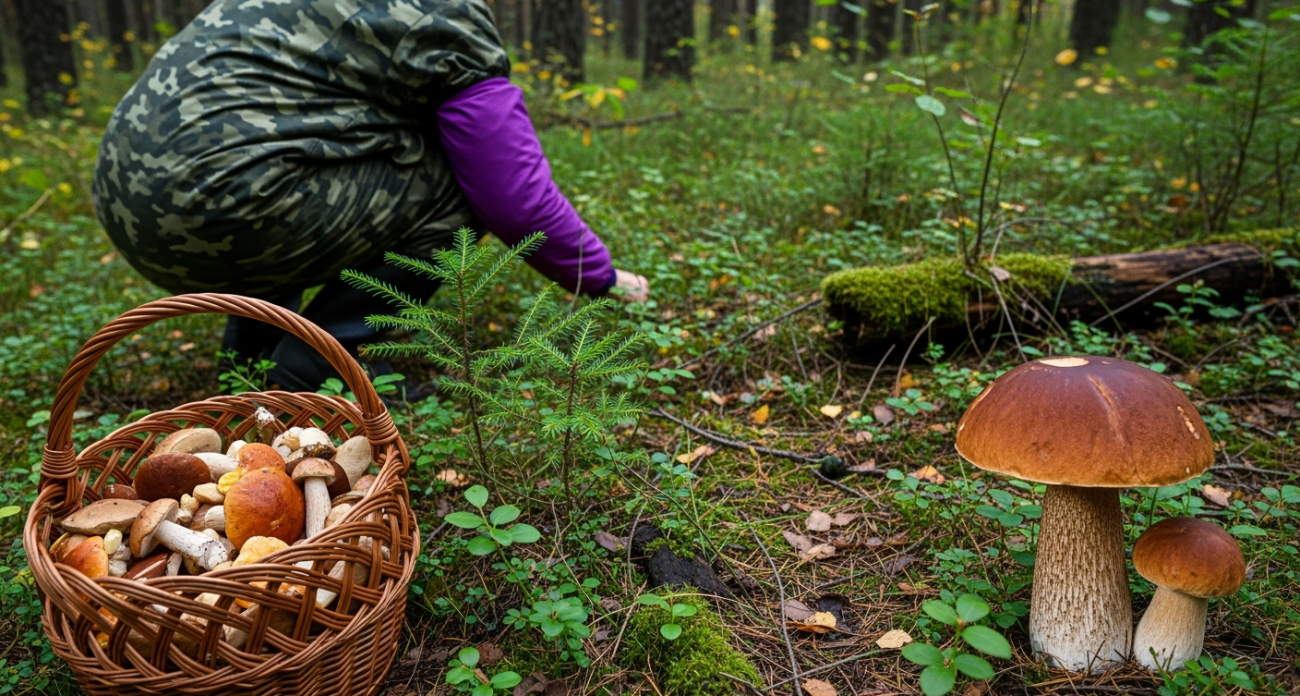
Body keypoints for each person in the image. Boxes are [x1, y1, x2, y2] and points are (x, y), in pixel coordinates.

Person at [92, 0, 649, 393]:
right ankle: (321, 363)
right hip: (224, 206)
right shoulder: (445, 12)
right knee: (460, 181)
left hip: (128, 209)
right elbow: (511, 194)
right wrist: (598, 275)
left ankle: (251, 354)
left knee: (286, 157)